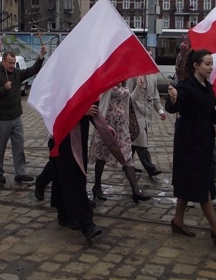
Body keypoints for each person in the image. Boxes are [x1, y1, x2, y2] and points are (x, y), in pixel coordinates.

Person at [165, 49, 216, 245]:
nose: (211, 67)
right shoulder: (186, 86)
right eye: (207, 64)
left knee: (190, 181)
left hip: (203, 139)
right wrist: (173, 98)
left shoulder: (207, 86)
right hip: (189, 141)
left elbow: (211, 114)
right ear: (196, 65)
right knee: (202, 185)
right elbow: (173, 108)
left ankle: (178, 221)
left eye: (211, 64)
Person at [48, 103, 123, 240]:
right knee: (73, 179)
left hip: (76, 139)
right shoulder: (61, 88)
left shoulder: (78, 85)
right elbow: (57, 113)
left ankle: (64, 215)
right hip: (62, 139)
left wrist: (105, 127)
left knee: (63, 178)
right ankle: (86, 224)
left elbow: (91, 110)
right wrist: (81, 111)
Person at [0, 49, 46, 184]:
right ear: (3, 62)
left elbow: (33, 70)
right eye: (10, 63)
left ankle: (20, 172)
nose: (12, 66)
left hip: (17, 116)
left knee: (19, 146)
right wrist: (3, 89)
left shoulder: (18, 74)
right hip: (1, 119)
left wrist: (41, 56)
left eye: (14, 63)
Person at [90, 82, 151, 203]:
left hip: (122, 127)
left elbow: (129, 102)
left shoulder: (124, 83)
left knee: (127, 157)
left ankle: (135, 191)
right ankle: (97, 187)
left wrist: (138, 88)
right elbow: (101, 104)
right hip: (107, 125)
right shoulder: (108, 82)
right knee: (102, 155)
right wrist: (101, 125)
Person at [128, 48, 165, 178]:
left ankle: (127, 164)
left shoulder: (153, 74)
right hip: (135, 114)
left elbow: (155, 94)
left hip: (147, 114)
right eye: (147, 56)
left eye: (151, 56)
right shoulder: (133, 74)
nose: (150, 59)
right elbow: (128, 99)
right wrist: (138, 88)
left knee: (134, 141)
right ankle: (150, 168)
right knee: (141, 142)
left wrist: (160, 110)